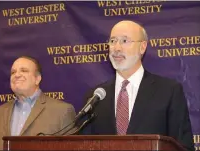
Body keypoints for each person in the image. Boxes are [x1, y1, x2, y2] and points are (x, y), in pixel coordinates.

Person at [80, 20, 194, 151]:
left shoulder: (169, 91)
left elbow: (184, 147)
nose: (117, 48)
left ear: (142, 47)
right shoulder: (96, 97)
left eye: (124, 41)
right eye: (112, 41)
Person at [0, 56, 76, 150]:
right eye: (13, 72)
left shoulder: (62, 112)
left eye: (24, 70)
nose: (17, 75)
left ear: (37, 79)